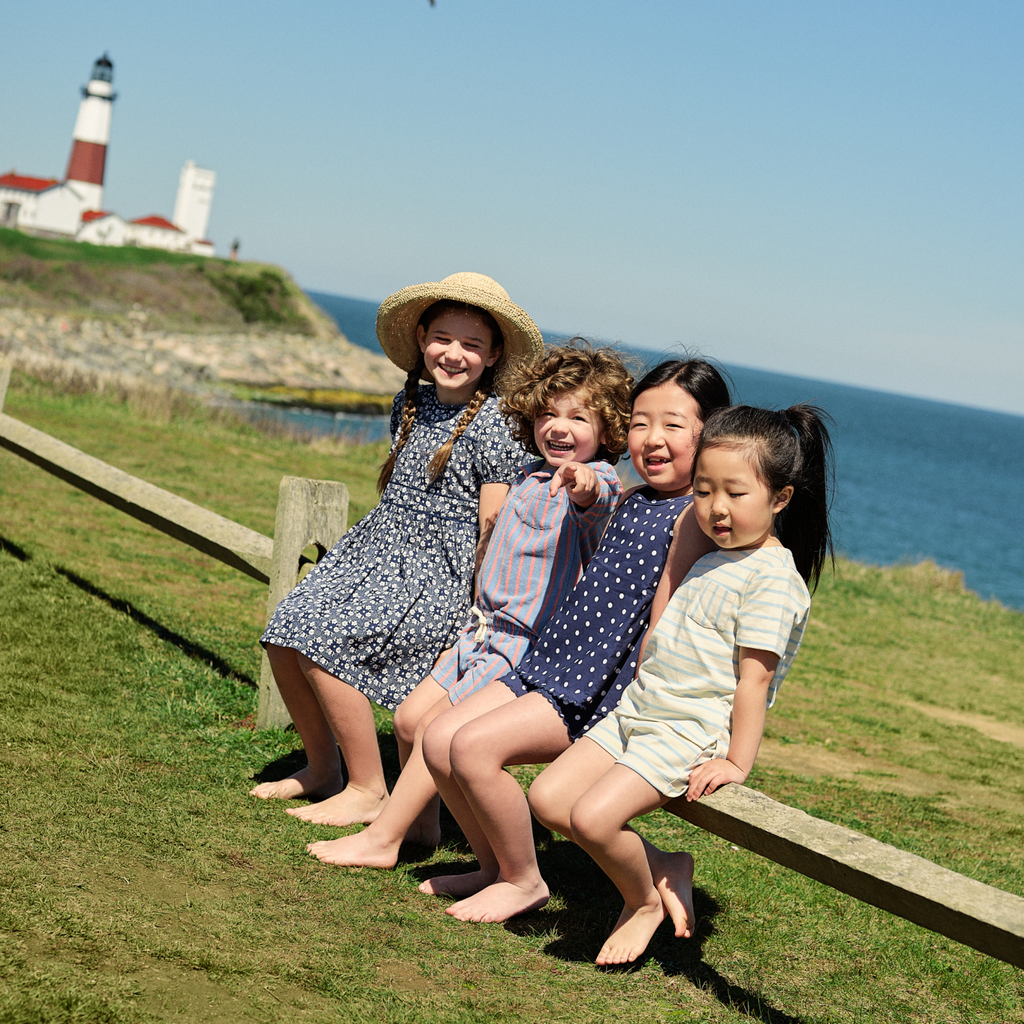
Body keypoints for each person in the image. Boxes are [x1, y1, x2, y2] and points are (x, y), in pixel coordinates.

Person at [416, 360, 732, 923]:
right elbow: (597, 496)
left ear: (711, 434)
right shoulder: (634, 498)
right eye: (639, 423)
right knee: (439, 739)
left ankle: (523, 879)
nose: (652, 440)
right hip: (551, 661)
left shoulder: (699, 518)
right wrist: (585, 484)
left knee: (472, 749)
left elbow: (597, 494)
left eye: (673, 426)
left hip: (594, 687)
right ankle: (494, 867)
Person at [529, 403, 834, 965]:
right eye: (703, 490)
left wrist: (737, 762)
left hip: (685, 731)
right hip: (638, 712)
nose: (716, 508)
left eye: (735, 494)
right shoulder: (717, 555)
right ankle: (665, 864)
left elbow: (753, 682)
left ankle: (642, 901)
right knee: (547, 800)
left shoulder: (772, 580)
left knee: (592, 818)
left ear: (781, 497)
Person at [307, 343, 632, 867]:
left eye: (578, 417)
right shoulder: (529, 475)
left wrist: (585, 484)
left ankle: (383, 838)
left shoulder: (598, 482)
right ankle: (422, 829)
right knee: (411, 720)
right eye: (548, 413)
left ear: (607, 429)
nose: (559, 427)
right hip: (478, 633)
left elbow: (598, 503)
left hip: (520, 647)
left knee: (440, 731)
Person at [251, 272, 542, 829]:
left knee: (320, 640)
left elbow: (493, 524)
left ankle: (369, 787)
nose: (454, 354)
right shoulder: (408, 402)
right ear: (422, 338)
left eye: (472, 344)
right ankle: (323, 768)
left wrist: (480, 610)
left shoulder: (497, 426)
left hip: (441, 574)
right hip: (380, 549)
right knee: (285, 631)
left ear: (494, 353)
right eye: (443, 339)